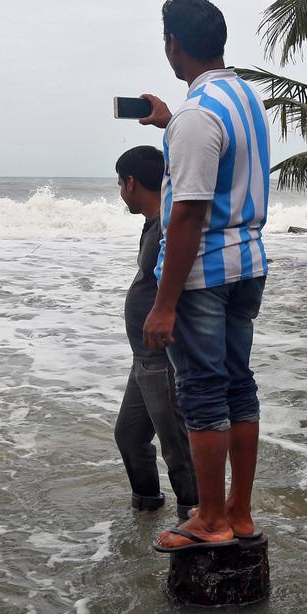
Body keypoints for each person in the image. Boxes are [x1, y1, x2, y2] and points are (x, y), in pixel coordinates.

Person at [138, 0, 270, 552]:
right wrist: (170, 122)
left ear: (174, 44)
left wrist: (163, 303)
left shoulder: (197, 116)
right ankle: (237, 513)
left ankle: (209, 518)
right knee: (239, 386)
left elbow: (188, 214)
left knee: (203, 393)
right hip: (249, 267)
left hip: (205, 276)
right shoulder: (242, 97)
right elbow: (223, 160)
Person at [113, 145, 199, 522]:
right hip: (143, 357)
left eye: (119, 182)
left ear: (131, 182)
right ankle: (147, 507)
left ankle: (194, 516)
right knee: (130, 436)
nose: (120, 191)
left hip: (160, 354)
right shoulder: (157, 222)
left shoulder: (168, 222)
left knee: (176, 444)